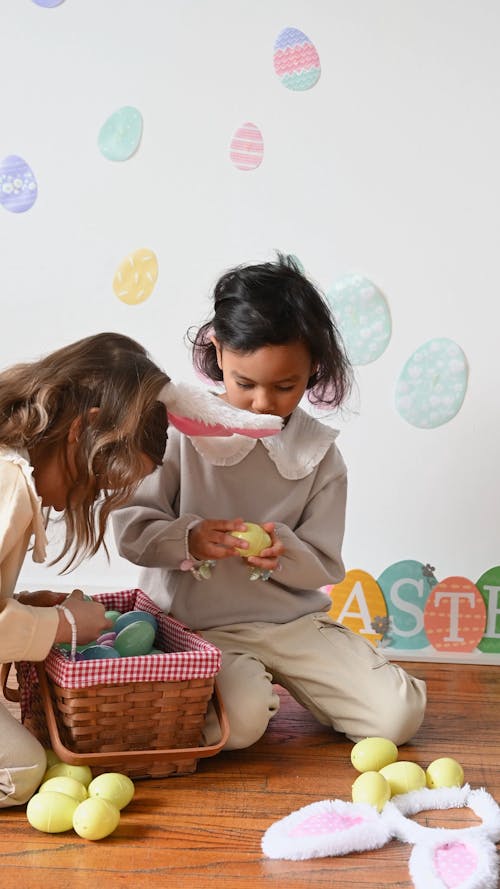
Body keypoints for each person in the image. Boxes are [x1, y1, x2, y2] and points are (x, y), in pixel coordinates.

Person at [113, 256, 427, 752]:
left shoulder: (318, 454)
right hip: (201, 625)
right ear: (217, 351)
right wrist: (189, 538)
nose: (264, 403)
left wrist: (285, 551)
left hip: (292, 622)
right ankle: (252, 692)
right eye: (246, 383)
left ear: (313, 369)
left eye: (286, 387)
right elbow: (131, 530)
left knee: (398, 718)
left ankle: (304, 682)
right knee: (239, 727)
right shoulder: (178, 431)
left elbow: (324, 564)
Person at [0, 331, 170, 807]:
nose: (95, 496)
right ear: (85, 427)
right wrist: (63, 625)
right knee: (21, 769)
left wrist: (21, 606)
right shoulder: (8, 484)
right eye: (103, 480)